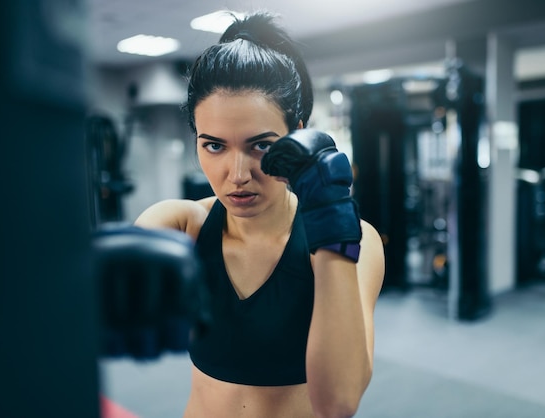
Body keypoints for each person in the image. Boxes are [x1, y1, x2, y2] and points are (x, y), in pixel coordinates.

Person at [128, 11, 384, 418]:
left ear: (297, 133)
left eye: (261, 146)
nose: (238, 175)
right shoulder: (181, 226)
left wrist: (329, 221)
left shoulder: (357, 239)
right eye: (214, 146)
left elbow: (339, 403)